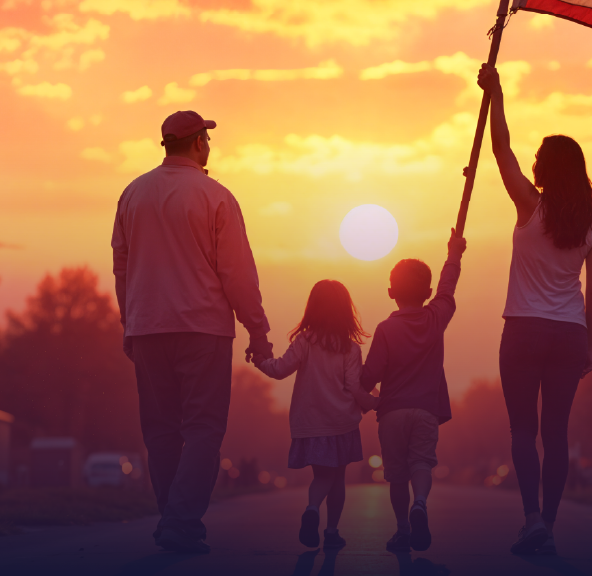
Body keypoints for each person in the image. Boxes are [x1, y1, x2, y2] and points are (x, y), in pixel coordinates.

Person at [111, 109, 275, 554]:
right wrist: (257, 332)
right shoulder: (215, 196)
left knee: (161, 431)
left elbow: (121, 268)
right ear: (199, 143)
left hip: (148, 327)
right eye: (207, 137)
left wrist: (131, 324)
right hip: (202, 329)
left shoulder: (132, 194)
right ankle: (181, 521)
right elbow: (237, 275)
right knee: (203, 427)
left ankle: (172, 518)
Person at [477, 63, 592, 557]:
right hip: (569, 334)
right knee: (557, 433)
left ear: (548, 169)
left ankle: (531, 519)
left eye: (538, 158)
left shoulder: (530, 205)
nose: (529, 162)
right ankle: (547, 526)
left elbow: (500, 148)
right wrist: (589, 346)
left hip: (525, 332)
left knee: (522, 430)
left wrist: (497, 94)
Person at [361, 229, 467, 553]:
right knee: (421, 463)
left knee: (396, 475)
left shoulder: (385, 329)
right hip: (425, 412)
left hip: (392, 413)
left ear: (391, 291)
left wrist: (363, 393)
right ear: (429, 291)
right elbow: (449, 288)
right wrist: (454, 254)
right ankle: (420, 503)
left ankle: (403, 528)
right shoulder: (436, 318)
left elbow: (368, 378)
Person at [257, 280, 378, 551]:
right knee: (338, 479)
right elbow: (354, 388)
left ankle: (312, 508)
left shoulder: (304, 342)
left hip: (310, 424)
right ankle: (332, 531)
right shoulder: (351, 349)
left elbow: (279, 369)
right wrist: (373, 402)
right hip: (342, 424)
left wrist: (260, 361)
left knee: (321, 477)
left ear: (313, 308)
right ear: (346, 311)